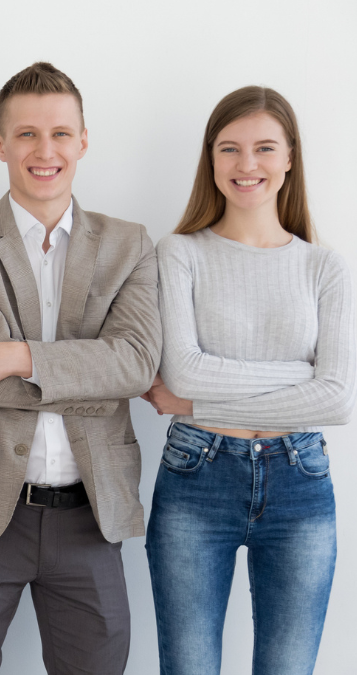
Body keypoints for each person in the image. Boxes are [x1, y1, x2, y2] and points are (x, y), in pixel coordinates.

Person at [0, 62, 163, 675]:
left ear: (83, 141)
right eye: (26, 134)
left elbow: (135, 364)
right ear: (0, 144)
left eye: (59, 134)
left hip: (91, 514)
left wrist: (15, 355)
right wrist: (92, 373)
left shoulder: (129, 244)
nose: (44, 151)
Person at [142, 86, 355, 675]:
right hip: (197, 476)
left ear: (289, 157)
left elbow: (338, 399)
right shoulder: (179, 253)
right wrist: (303, 377)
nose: (247, 164)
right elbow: (184, 369)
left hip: (299, 480)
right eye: (229, 148)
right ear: (211, 158)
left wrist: (195, 402)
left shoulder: (325, 267)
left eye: (264, 147)